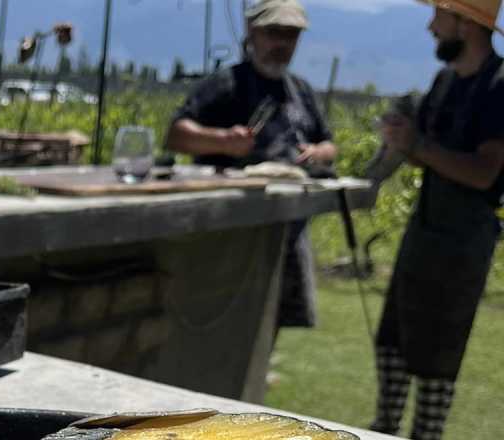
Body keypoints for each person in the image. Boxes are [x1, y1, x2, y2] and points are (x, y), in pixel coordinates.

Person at [369, 1, 504, 439]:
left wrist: (418, 145)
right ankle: (383, 429)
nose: (430, 27)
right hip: (424, 231)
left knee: (438, 356)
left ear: (466, 22)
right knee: (393, 339)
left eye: (438, 15)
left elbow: (484, 173)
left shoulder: (499, 86)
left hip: (464, 243)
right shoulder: (445, 81)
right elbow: (421, 153)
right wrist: (400, 140)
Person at [165, 0, 337, 331]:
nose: (282, 44)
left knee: (275, 323)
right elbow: (176, 135)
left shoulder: (300, 90)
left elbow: (330, 143)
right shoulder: (226, 84)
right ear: (252, 33)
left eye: (291, 36)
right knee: (226, 320)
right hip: (233, 226)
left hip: (289, 224)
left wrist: (318, 153)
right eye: (274, 33)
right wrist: (222, 141)